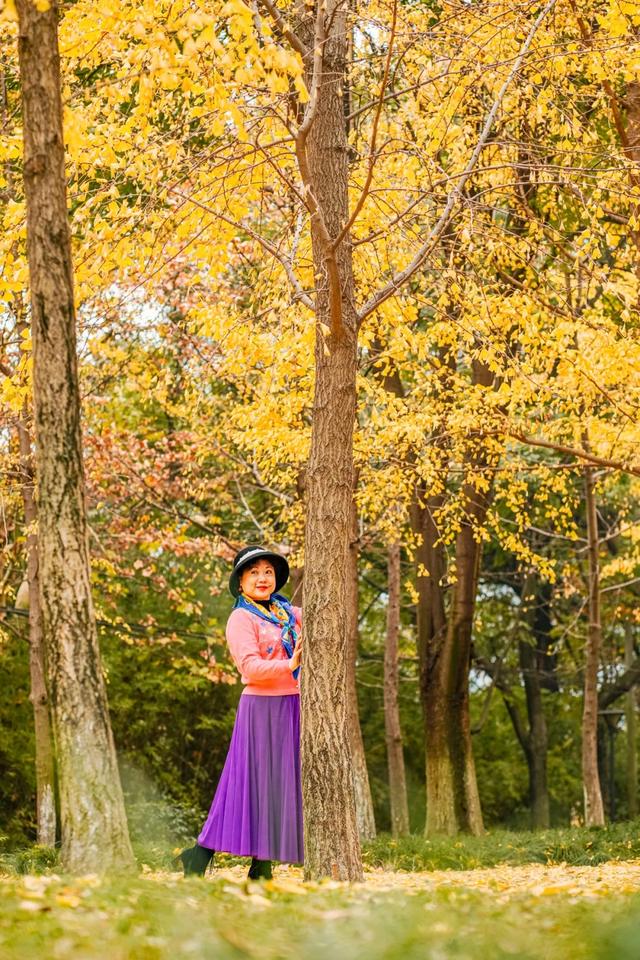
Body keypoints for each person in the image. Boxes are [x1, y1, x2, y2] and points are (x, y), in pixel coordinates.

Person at [177, 545, 303, 879]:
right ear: (241, 581)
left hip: (293, 705)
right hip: (260, 708)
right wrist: (290, 663)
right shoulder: (241, 618)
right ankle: (201, 856)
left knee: (279, 787)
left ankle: (261, 868)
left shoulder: (289, 613)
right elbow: (249, 667)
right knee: (249, 784)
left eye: (269, 572)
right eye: (254, 572)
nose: (263, 578)